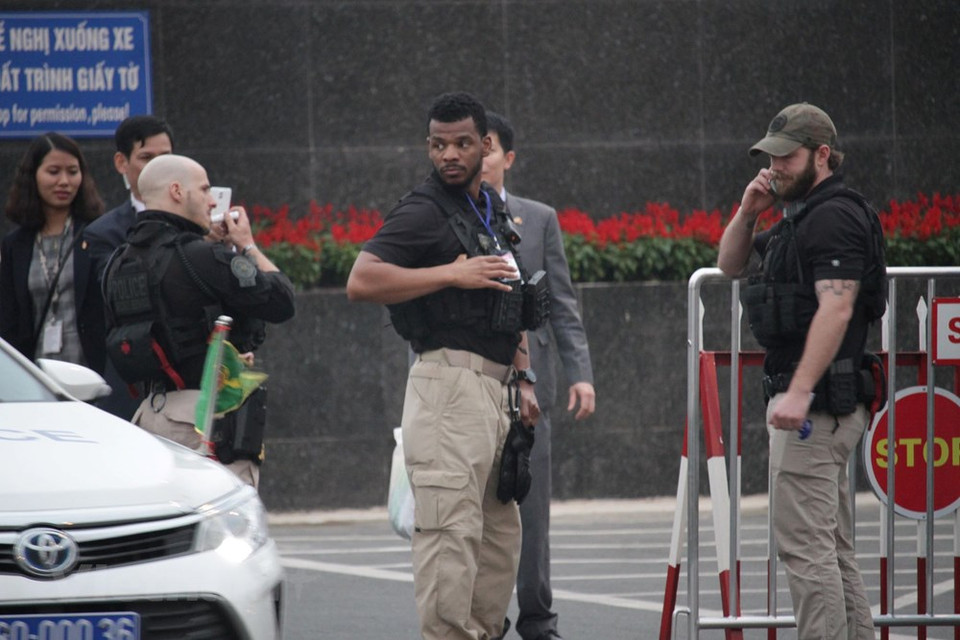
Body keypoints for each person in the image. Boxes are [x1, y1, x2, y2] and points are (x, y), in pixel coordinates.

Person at [346, 92, 542, 640]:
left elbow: (511, 294)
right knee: (450, 540)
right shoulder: (423, 209)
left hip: (497, 390)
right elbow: (361, 281)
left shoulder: (489, 208)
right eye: (438, 144)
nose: (449, 155)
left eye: (461, 143)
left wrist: (523, 375)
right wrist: (449, 275)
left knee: (498, 542)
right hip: (447, 385)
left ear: (486, 146)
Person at [717, 103, 884, 640]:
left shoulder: (833, 215)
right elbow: (729, 265)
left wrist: (799, 391)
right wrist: (748, 212)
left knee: (806, 553)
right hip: (818, 407)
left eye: (786, 157)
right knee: (829, 550)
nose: (776, 167)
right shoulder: (802, 216)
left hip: (815, 410)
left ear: (822, 155)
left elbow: (836, 307)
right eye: (770, 157)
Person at [102, 154, 295, 488]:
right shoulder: (199, 257)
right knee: (226, 528)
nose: (211, 200)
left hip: (150, 417)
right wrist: (246, 245)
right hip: (204, 420)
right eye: (205, 189)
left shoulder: (119, 262)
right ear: (177, 191)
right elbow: (281, 300)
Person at [482, 112, 595, 640]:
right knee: (475, 513)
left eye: (485, 147)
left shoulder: (538, 218)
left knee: (532, 512)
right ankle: (484, 617)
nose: (474, 157)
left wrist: (581, 374)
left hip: (535, 386)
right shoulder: (442, 218)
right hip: (472, 384)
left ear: (508, 157)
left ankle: (537, 618)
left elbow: (563, 304)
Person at [83, 115, 175, 418]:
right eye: (146, 158)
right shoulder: (104, 232)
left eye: (166, 158)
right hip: (132, 376)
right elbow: (120, 293)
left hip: (191, 378)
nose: (158, 169)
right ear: (122, 163)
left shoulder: (200, 223)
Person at [1, 133, 105, 370]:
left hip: (91, 375)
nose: (65, 181)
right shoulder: (15, 245)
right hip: (38, 378)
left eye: (72, 171)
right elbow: (8, 322)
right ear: (33, 176)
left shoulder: (96, 234)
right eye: (53, 171)